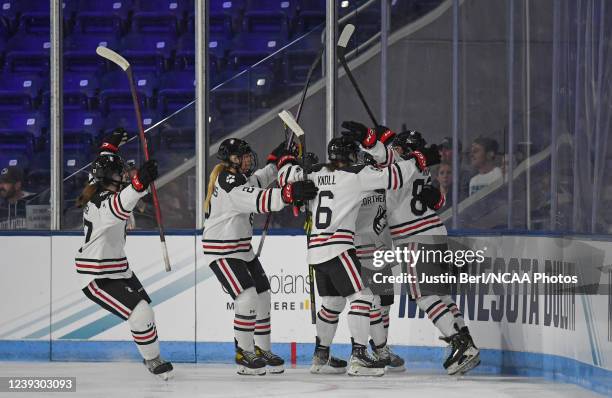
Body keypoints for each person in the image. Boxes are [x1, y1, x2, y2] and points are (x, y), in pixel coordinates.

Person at [277, 131, 439, 376]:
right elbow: (395, 176)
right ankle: (360, 356)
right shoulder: (357, 175)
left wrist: (290, 159)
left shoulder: (315, 172)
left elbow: (285, 177)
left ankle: (321, 357)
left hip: (317, 251)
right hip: (340, 247)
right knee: (363, 298)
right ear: (351, 155)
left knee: (332, 303)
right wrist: (418, 159)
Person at [343, 122, 480, 376]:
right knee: (442, 295)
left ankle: (459, 344)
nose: (393, 148)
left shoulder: (399, 162)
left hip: (415, 236)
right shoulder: (420, 168)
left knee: (424, 295)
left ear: (403, 149)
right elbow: (434, 197)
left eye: (397, 145)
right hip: (436, 232)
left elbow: (381, 152)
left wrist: (370, 138)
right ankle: (465, 338)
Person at [202, 138, 317, 376]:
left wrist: (278, 158)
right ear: (232, 159)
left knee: (263, 295)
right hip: (221, 251)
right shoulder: (228, 181)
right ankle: (244, 352)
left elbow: (260, 179)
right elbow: (259, 199)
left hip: (242, 249)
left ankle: (262, 349)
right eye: (243, 156)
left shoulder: (238, 177)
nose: (248, 159)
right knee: (246, 297)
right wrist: (288, 192)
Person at [74, 129, 173, 380]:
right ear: (110, 178)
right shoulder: (101, 204)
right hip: (97, 276)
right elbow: (120, 205)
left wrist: (110, 144)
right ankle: (153, 361)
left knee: (145, 312)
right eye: (121, 173)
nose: (124, 176)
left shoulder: (99, 183)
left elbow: (104, 160)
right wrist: (139, 184)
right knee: (140, 313)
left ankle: (152, 357)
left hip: (118, 269)